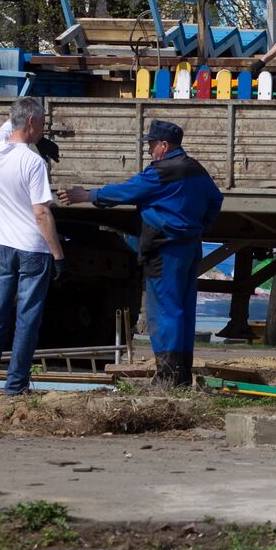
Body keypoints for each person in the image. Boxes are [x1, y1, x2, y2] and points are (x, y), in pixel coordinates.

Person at [61, 120, 223, 386]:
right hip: (190, 246)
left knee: (165, 312)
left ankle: (168, 376)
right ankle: (181, 375)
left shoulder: (161, 171)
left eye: (150, 145)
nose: (148, 150)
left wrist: (88, 195)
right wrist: (198, 226)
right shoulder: (196, 169)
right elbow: (216, 199)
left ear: (164, 145)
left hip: (165, 248)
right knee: (183, 310)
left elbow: (127, 191)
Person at [0, 97, 67, 401]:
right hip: (33, 249)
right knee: (27, 319)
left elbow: (6, 127)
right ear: (31, 123)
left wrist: (28, 122)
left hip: (2, 245)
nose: (42, 129)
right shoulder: (34, 163)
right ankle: (15, 388)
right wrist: (59, 255)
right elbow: (41, 213)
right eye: (40, 124)